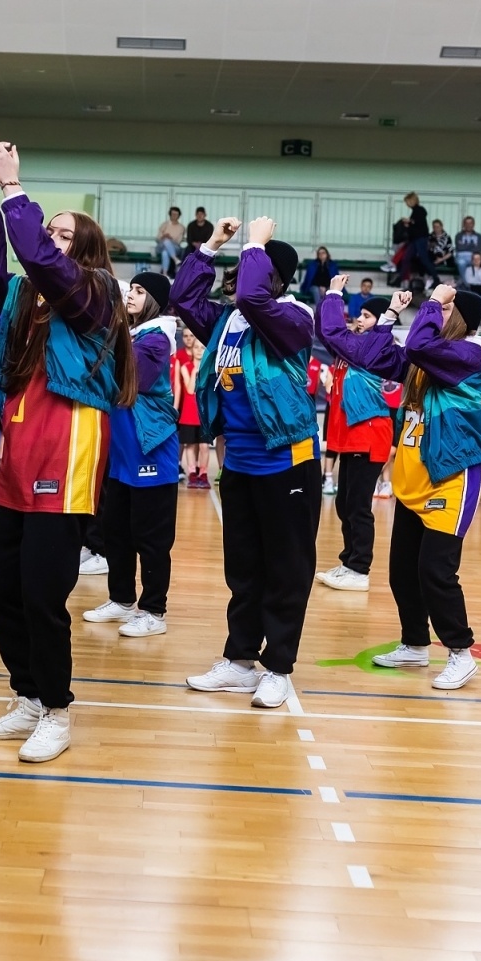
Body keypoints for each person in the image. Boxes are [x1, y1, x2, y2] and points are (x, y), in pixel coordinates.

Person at [0, 142, 135, 760]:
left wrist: (13, 190)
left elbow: (38, 257)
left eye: (62, 234)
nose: (49, 241)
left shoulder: (97, 292)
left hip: (69, 452)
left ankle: (57, 709)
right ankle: (27, 696)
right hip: (18, 457)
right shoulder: (23, 296)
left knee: (41, 592)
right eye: (47, 231)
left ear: (82, 252)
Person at [172, 208, 322, 707]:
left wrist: (255, 243)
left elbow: (255, 296)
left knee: (286, 568)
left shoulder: (294, 317)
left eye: (254, 266)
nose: (240, 276)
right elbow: (182, 297)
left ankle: (278, 665)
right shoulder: (228, 321)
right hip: (238, 462)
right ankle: (239, 661)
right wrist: (212, 245)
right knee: (244, 569)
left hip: (287, 463)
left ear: (277, 278)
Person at [343, 285, 481, 690]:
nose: (435, 313)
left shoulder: (468, 354)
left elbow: (421, 342)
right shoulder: (426, 359)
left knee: (435, 572)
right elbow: (369, 355)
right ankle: (414, 644)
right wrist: (388, 316)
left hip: (451, 477)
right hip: (414, 478)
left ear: (457, 317)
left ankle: (461, 653)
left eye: (443, 309)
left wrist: (428, 303)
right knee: (401, 572)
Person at [82, 272, 179, 637]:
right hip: (123, 455)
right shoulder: (131, 334)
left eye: (139, 292)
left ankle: (154, 610)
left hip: (150, 448)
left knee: (151, 538)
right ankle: (122, 600)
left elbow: (126, 380)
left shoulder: (155, 340)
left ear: (153, 300)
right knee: (116, 532)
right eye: (130, 291)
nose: (132, 297)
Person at [315, 283, 396, 592]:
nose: (359, 319)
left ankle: (359, 569)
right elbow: (325, 331)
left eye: (366, 315)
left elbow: (339, 333)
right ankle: (348, 562)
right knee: (344, 503)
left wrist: (336, 296)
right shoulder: (349, 346)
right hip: (351, 436)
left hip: (369, 432)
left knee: (358, 505)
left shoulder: (374, 350)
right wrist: (328, 298)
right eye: (359, 314)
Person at [174, 328, 206, 488]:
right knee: (188, 442)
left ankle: (202, 472)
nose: (188, 339)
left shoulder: (205, 364)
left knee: (203, 444)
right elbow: (184, 387)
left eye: (191, 335)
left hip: (201, 411)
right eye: (185, 336)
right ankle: (187, 469)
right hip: (186, 407)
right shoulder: (182, 361)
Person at [155, 207, 184, 276]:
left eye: (176, 214)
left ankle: (164, 273)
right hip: (161, 245)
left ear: (179, 216)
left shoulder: (181, 227)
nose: (174, 216)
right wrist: (163, 237)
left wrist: (170, 239)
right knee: (165, 241)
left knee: (165, 252)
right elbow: (157, 238)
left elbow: (178, 241)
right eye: (172, 214)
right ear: (170, 215)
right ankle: (175, 259)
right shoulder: (164, 225)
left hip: (175, 247)